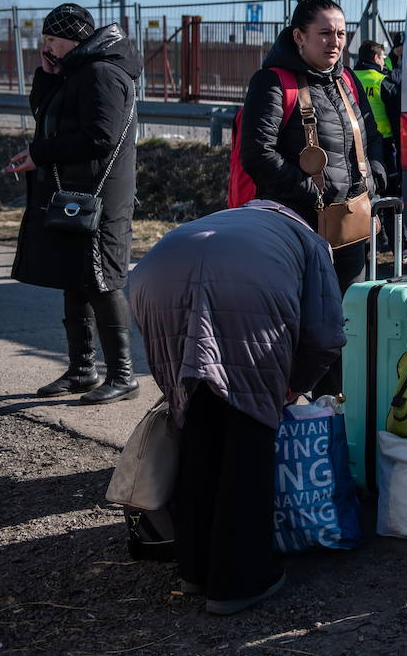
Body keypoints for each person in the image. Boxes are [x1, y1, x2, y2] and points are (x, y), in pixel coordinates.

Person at [130, 200, 346, 616]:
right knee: (248, 438)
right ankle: (239, 582)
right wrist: (294, 385)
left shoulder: (227, 217)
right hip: (243, 293)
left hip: (154, 281)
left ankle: (193, 569)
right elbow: (323, 334)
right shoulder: (309, 240)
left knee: (196, 428)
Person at [239, 0, 385, 395]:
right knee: (303, 327)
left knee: (344, 324)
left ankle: (337, 410)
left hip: (349, 227)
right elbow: (257, 154)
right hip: (298, 228)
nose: (335, 42)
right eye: (325, 33)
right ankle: (294, 414)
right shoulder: (272, 82)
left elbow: (370, 133)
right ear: (299, 37)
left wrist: (372, 173)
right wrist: (309, 193)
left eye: (341, 33)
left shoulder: (346, 81)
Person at [5, 3, 141, 405]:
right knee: (74, 277)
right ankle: (83, 370)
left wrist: (40, 154)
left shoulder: (101, 73)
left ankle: (124, 376)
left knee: (102, 281)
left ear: (76, 38)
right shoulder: (75, 72)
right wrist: (47, 77)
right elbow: (46, 116)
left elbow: (101, 136)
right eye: (44, 39)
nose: (46, 47)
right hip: (76, 194)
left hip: (100, 196)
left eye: (53, 40)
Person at [351, 40, 403, 254]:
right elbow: (397, 117)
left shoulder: (349, 80)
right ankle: (398, 245)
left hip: (354, 145)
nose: (384, 62)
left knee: (362, 195)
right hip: (383, 145)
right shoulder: (383, 81)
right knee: (389, 195)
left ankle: (370, 242)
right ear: (375, 58)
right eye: (382, 58)